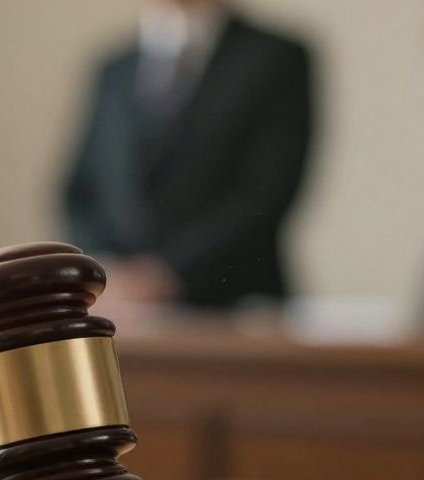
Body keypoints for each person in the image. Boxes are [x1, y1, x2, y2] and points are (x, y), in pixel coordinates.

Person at [61, 0, 314, 308]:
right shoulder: (113, 68)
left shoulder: (276, 58)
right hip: (122, 306)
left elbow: (267, 190)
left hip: (231, 304)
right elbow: (80, 189)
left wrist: (169, 273)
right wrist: (104, 269)